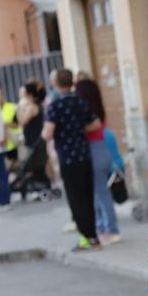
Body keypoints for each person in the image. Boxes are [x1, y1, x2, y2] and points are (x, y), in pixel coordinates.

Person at [43, 68, 101, 251]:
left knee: (76, 199)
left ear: (55, 84)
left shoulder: (55, 105)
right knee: (88, 196)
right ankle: (94, 236)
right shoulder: (79, 100)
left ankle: (87, 238)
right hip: (84, 155)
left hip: (68, 158)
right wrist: (78, 130)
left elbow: (48, 133)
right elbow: (96, 123)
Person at [74, 75, 120, 245]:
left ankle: (111, 229)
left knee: (101, 193)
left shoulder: (88, 112)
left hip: (95, 150)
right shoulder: (96, 108)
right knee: (97, 193)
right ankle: (102, 226)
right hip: (100, 150)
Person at [17, 79, 50, 188]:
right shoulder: (34, 105)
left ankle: (44, 187)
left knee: (37, 165)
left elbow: (22, 121)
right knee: (37, 165)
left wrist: (19, 108)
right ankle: (41, 186)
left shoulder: (32, 107)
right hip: (34, 138)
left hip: (34, 139)